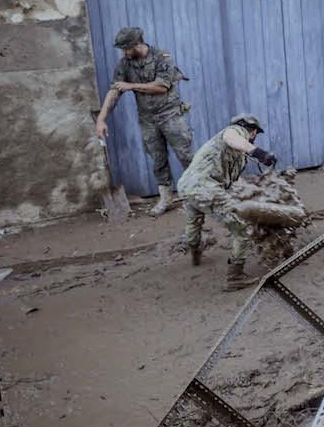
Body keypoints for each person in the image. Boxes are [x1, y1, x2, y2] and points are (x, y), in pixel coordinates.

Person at [95, 26, 194, 216]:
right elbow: (115, 91)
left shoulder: (162, 57)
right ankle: (166, 198)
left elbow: (161, 87)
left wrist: (130, 86)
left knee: (186, 155)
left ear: (136, 45)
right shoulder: (125, 64)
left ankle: (198, 195)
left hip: (171, 115)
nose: (124, 53)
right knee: (158, 160)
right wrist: (101, 119)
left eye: (126, 48)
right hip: (148, 119)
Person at [179, 115, 277, 291]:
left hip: (187, 186)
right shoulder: (233, 132)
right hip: (204, 187)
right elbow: (232, 137)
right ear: (252, 130)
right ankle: (235, 276)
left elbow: (231, 184)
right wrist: (260, 153)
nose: (254, 135)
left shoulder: (235, 155)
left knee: (194, 220)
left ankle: (195, 251)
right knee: (244, 226)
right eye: (254, 133)